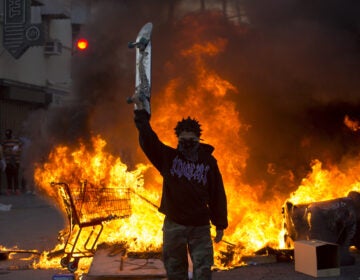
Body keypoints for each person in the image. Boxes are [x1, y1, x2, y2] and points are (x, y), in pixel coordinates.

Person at [133, 103, 228, 279]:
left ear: (199, 139)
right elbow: (149, 141)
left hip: (200, 227)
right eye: (183, 141)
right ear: (177, 139)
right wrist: (141, 115)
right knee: (175, 272)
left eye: (191, 141)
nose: (187, 145)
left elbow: (217, 193)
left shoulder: (208, 162)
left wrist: (220, 223)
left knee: (204, 271)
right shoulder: (168, 158)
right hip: (174, 225)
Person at [2, 129, 22, 195]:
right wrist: (8, 151)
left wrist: (16, 150)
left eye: (8, 135)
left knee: (15, 175)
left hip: (16, 161)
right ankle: (9, 189)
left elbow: (20, 149)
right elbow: (2, 150)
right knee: (8, 176)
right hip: (7, 162)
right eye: (6, 135)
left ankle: (16, 189)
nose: (7, 136)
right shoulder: (4, 141)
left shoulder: (16, 140)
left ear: (11, 134)